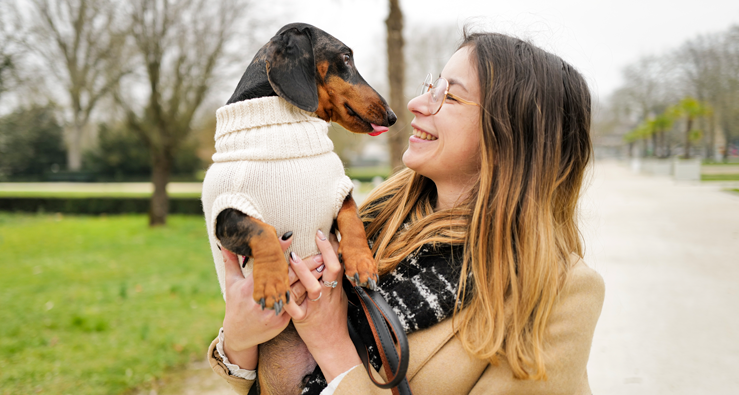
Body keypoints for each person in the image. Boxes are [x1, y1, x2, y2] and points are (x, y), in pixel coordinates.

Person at [207, 30, 605, 394]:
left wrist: (331, 346)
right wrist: (239, 339)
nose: (416, 102)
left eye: (449, 96)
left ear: (511, 136)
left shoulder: (561, 292)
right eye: (432, 86)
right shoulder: (372, 216)